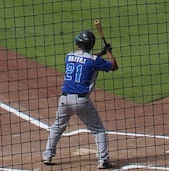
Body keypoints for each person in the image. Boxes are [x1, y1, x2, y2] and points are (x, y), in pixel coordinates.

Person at [41, 29, 117, 168]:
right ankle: (103, 160)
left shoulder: (69, 56)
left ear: (79, 43)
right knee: (98, 130)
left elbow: (85, 61)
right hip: (81, 101)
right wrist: (109, 52)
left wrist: (102, 53)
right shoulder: (94, 61)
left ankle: (47, 156)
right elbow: (114, 66)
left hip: (64, 100)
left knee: (57, 127)